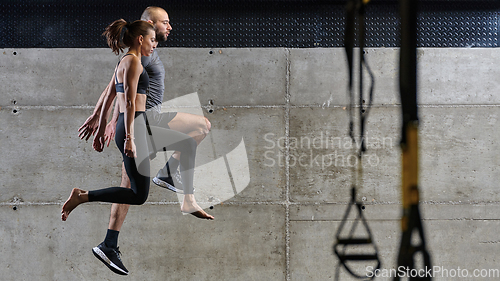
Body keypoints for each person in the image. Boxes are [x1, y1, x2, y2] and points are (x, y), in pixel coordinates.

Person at [62, 16, 213, 275]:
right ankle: (82, 197)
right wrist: (130, 137)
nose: (155, 45)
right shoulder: (133, 62)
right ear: (141, 39)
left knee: (139, 193)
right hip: (137, 127)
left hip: (132, 127)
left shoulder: (124, 61)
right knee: (141, 188)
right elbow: (129, 102)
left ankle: (172, 185)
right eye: (152, 40)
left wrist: (101, 129)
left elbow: (113, 95)